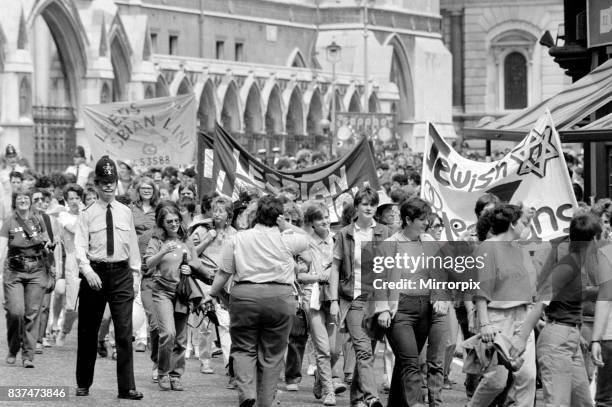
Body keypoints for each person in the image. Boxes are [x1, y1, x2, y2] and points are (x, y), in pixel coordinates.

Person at [209, 195, 310, 407]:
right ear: (278, 216)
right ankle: (266, 401)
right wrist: (286, 224)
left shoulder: (237, 238)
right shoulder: (288, 237)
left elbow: (223, 273)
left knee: (244, 348)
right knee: (272, 355)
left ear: (255, 215)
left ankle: (247, 393)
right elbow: (306, 238)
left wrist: (214, 293)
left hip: (245, 296)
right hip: (280, 298)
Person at [509, 212, 606, 406]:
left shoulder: (579, 264)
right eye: (601, 236)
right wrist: (521, 338)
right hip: (557, 342)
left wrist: (577, 335)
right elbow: (542, 300)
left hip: (569, 338)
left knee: (583, 403)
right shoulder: (568, 265)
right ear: (593, 240)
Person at [74, 155, 143, 400]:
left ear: (116, 182)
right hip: (96, 275)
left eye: (111, 181)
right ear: (96, 184)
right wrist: (88, 271)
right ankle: (83, 382)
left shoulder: (125, 212)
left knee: (124, 333)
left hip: (122, 274)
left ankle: (127, 387)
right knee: (88, 332)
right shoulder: (87, 213)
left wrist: (135, 277)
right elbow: (80, 246)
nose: (108, 186)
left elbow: (133, 247)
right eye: (103, 182)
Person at [376, 197, 448, 407]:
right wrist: (382, 309)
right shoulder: (389, 244)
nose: (427, 223)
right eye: (422, 219)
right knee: (410, 361)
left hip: (424, 309)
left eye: (427, 219)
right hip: (399, 311)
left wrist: (440, 297)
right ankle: (417, 404)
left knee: (405, 362)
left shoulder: (429, 242)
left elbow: (439, 275)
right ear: (408, 220)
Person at [469, 203, 537, 407]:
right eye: (524, 222)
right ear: (512, 224)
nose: (526, 227)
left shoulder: (519, 248)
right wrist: (485, 323)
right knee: (496, 382)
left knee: (528, 377)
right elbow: (481, 289)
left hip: (523, 318)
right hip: (497, 319)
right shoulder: (487, 248)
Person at [329, 186, 389, 407]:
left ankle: (356, 399)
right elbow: (335, 268)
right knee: (363, 350)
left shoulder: (385, 232)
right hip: (353, 299)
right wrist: (334, 301)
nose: (369, 208)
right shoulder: (344, 234)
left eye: (373, 204)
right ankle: (372, 397)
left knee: (367, 352)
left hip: (377, 300)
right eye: (365, 204)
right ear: (356, 207)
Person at [145, 201, 209, 391]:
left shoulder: (186, 239)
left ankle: (176, 374)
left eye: (176, 220)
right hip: (162, 291)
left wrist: (191, 267)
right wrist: (163, 251)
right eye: (169, 221)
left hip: (182, 292)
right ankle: (163, 371)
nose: (174, 224)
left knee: (181, 339)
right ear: (162, 223)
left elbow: (195, 262)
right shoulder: (157, 240)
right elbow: (148, 263)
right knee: (168, 333)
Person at [1, 187, 53, 368]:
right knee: (16, 312)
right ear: (15, 202)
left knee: (32, 313)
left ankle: (28, 355)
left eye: (26, 198)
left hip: (36, 270)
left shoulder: (38, 220)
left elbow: (46, 243)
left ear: (30, 201)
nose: (23, 201)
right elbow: (2, 249)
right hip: (14, 271)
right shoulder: (8, 222)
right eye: (19, 198)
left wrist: (49, 246)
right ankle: (13, 347)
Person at [132, 177, 160, 381]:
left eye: (150, 188)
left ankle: (148, 336)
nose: (146, 191)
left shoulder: (159, 209)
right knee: (135, 298)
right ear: (138, 190)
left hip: (154, 257)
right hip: (134, 255)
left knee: (149, 300)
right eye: (143, 188)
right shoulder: (131, 208)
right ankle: (140, 337)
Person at [54, 184, 84, 346]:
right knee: (72, 306)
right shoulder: (64, 216)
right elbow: (74, 229)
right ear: (66, 200)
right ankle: (63, 330)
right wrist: (83, 214)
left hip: (89, 260)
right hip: (72, 261)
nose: (74, 201)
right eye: (71, 198)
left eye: (77, 198)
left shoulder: (87, 214)